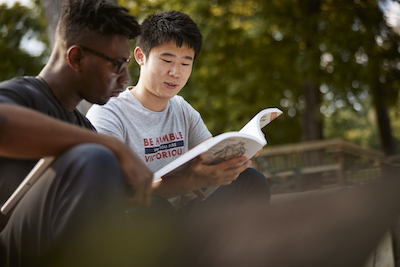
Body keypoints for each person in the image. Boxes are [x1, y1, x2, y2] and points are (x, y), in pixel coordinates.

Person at [0, 0, 154, 265]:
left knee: (153, 215)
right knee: (94, 157)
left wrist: (190, 180)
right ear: (76, 57)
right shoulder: (23, 94)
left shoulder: (83, 127)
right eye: (117, 64)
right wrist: (111, 145)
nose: (126, 77)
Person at [86, 10, 271, 214]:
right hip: (133, 229)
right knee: (153, 208)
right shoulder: (108, 113)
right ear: (140, 56)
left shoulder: (181, 108)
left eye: (185, 63)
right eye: (167, 60)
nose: (175, 72)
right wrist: (190, 181)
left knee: (251, 180)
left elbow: (209, 158)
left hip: (178, 221)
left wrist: (238, 155)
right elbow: (117, 197)